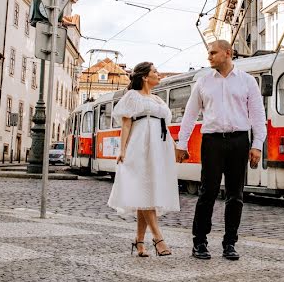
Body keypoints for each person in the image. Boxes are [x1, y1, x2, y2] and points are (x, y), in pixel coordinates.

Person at [176, 40, 267, 261]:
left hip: (239, 141)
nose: (209, 57)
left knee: (236, 195)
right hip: (212, 141)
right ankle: (199, 242)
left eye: (213, 53)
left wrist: (256, 145)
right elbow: (190, 115)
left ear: (228, 53)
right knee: (207, 192)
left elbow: (257, 115)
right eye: (208, 53)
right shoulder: (203, 82)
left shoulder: (247, 82)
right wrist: (182, 144)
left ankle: (230, 243)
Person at [107, 62, 180, 257]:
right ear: (145, 77)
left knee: (146, 192)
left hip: (159, 147)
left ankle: (139, 242)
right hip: (140, 146)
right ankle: (158, 238)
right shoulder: (132, 96)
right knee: (145, 189)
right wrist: (122, 150)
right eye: (155, 71)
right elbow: (126, 124)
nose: (159, 74)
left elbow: (165, 126)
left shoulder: (157, 99)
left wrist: (175, 147)